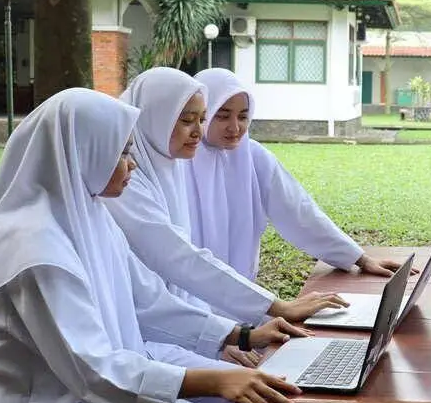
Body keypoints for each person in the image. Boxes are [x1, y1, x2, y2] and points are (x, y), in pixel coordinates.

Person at [0, 88, 301, 403]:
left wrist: (241, 335)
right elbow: (91, 369)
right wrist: (217, 379)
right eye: (122, 152)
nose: (131, 165)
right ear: (83, 153)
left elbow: (149, 302)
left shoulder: (88, 215)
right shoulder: (34, 250)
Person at [103, 68, 347, 366]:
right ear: (154, 116)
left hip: (186, 323)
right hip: (144, 342)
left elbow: (298, 209)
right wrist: (245, 324)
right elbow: (176, 258)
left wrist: (227, 335)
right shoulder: (125, 182)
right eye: (187, 120)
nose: (198, 131)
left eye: (202, 119)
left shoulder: (167, 164)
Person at [185, 68, 403, 283]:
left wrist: (359, 258)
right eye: (222, 116)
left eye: (243, 117)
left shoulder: (253, 157)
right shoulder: (179, 161)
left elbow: (299, 210)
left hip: (241, 298)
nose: (235, 127)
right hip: (184, 299)